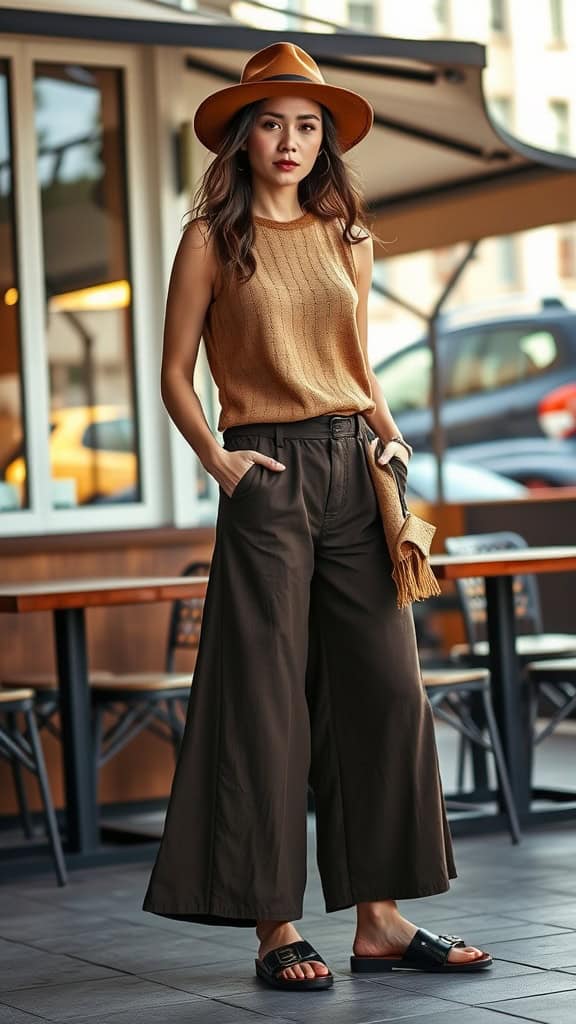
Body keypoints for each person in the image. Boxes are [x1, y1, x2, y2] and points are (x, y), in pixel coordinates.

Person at [143, 40, 493, 990]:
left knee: (386, 693)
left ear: (324, 142)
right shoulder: (211, 239)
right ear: (243, 137)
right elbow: (175, 373)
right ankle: (275, 926)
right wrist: (219, 462)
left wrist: (392, 437)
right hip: (267, 476)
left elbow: (359, 365)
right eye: (272, 122)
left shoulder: (348, 236)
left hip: (355, 468)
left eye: (307, 126)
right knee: (264, 706)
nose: (290, 141)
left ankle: (379, 918)